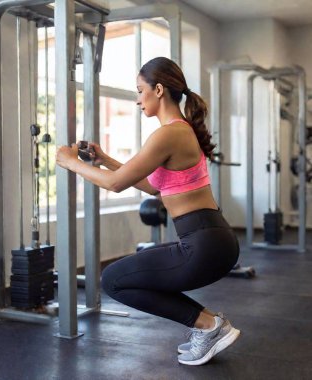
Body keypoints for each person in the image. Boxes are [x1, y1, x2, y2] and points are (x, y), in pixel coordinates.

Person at [56, 56, 240, 366]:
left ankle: (209, 326)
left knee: (113, 279)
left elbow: (115, 185)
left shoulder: (168, 133)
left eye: (140, 91)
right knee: (128, 275)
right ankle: (210, 325)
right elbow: (155, 187)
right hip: (211, 240)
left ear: (158, 89)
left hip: (204, 244)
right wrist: (105, 159)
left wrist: (69, 162)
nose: (138, 99)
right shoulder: (178, 131)